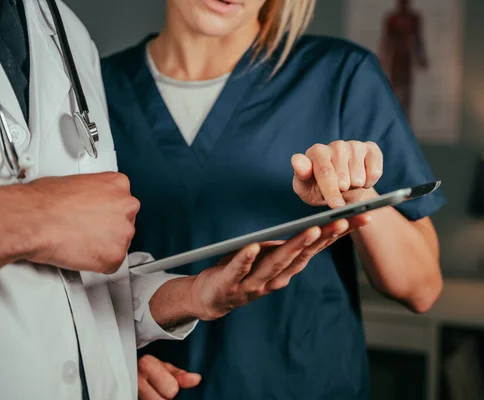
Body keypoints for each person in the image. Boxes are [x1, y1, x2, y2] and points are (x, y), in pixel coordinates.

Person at [0, 1, 363, 399]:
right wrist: (34, 214)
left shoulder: (67, 37)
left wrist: (196, 294)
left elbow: (77, 286)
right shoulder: (111, 76)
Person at [101, 0, 447, 398]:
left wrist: (353, 191)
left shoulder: (340, 75)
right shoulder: (94, 90)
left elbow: (421, 289)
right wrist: (112, 362)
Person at [378, 0, 429, 120]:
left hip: (407, 58)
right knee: (394, 90)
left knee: (406, 93)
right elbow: (386, 40)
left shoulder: (414, 18)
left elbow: (418, 40)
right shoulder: (392, 18)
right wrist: (383, 59)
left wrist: (421, 57)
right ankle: (394, 120)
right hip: (396, 58)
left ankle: (405, 122)